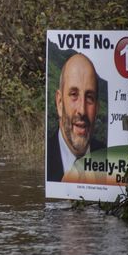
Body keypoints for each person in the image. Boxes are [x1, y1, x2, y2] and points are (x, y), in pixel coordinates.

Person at [47, 53, 105, 182]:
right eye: (74, 95)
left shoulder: (110, 157)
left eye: (89, 97)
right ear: (60, 103)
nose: (82, 110)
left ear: (97, 108)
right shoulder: (42, 157)